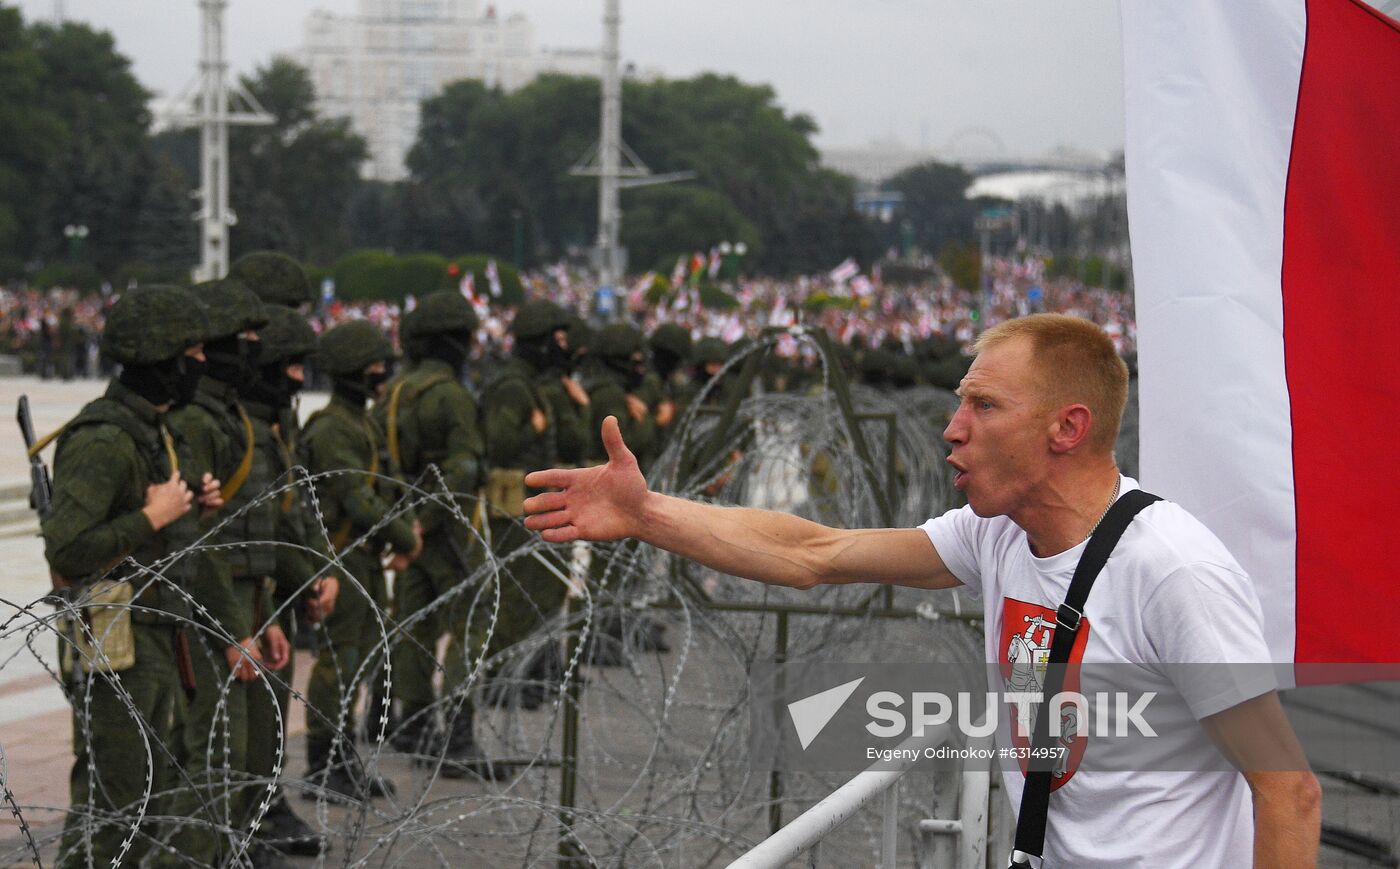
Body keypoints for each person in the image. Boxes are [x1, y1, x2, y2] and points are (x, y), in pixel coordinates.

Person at [521, 314, 1322, 868]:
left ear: (1066, 428)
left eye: (983, 405)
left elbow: (1287, 791)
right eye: (957, 402)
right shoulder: (998, 532)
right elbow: (815, 551)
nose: (953, 426)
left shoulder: (1173, 569)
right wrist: (647, 511)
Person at [42, 285, 220, 869]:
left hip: (150, 634)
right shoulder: (105, 438)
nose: (201, 364)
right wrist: (152, 516)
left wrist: (190, 501)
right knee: (116, 803)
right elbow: (68, 548)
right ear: (164, 360)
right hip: (114, 642)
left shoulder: (152, 429)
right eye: (192, 353)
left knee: (149, 792)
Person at [158, 278, 287, 869]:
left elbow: (249, 529)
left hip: (240, 601)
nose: (256, 348)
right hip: (205, 608)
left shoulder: (228, 416)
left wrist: (266, 609)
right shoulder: (197, 421)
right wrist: (234, 626)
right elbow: (201, 542)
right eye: (247, 338)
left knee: (232, 749)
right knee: (213, 750)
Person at [300, 319, 420, 802]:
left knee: (361, 657)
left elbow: (385, 486)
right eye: (373, 367)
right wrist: (405, 538)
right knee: (339, 662)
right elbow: (355, 498)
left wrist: (402, 526)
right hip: (342, 556)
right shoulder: (331, 428)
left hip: (365, 558)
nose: (381, 373)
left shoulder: (361, 423)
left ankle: (344, 758)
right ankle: (324, 763)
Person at [376, 291, 492, 776]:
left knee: (415, 625)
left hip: (406, 526)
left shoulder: (393, 393)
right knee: (473, 623)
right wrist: (429, 520)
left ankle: (416, 722)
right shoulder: (450, 395)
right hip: (448, 531)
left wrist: (406, 525)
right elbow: (463, 467)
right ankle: (458, 734)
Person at [479, 300, 589, 708]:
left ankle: (521, 675)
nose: (561, 348)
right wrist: (532, 427)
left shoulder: (530, 385)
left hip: (532, 502)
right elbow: (501, 443)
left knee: (534, 593)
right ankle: (500, 678)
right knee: (513, 594)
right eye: (555, 341)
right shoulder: (513, 386)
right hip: (512, 505)